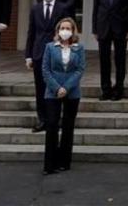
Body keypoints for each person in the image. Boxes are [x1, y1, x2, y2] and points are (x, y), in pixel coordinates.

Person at [41, 17, 86, 175]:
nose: (65, 31)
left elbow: (80, 69)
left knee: (68, 127)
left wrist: (66, 87)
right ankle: (50, 164)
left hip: (72, 92)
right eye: (62, 28)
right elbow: (45, 70)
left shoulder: (79, 48)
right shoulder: (50, 47)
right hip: (52, 92)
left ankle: (64, 162)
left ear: (73, 31)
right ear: (58, 31)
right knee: (52, 125)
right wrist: (57, 88)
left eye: (68, 28)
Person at [25, 0, 68, 132]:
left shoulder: (63, 8)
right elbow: (31, 32)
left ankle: (56, 119)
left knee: (57, 86)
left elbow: (68, 31)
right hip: (38, 54)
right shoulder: (35, 9)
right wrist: (28, 55)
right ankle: (42, 119)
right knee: (40, 88)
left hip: (57, 53)